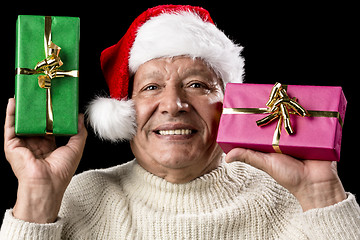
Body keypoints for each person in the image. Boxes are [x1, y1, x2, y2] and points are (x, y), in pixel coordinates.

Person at [1, 5, 359, 239]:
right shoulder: (80, 198)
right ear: (126, 111)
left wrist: (321, 196)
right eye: (152, 86)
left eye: (197, 85)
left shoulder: (292, 199)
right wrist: (36, 197)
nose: (173, 105)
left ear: (228, 106)